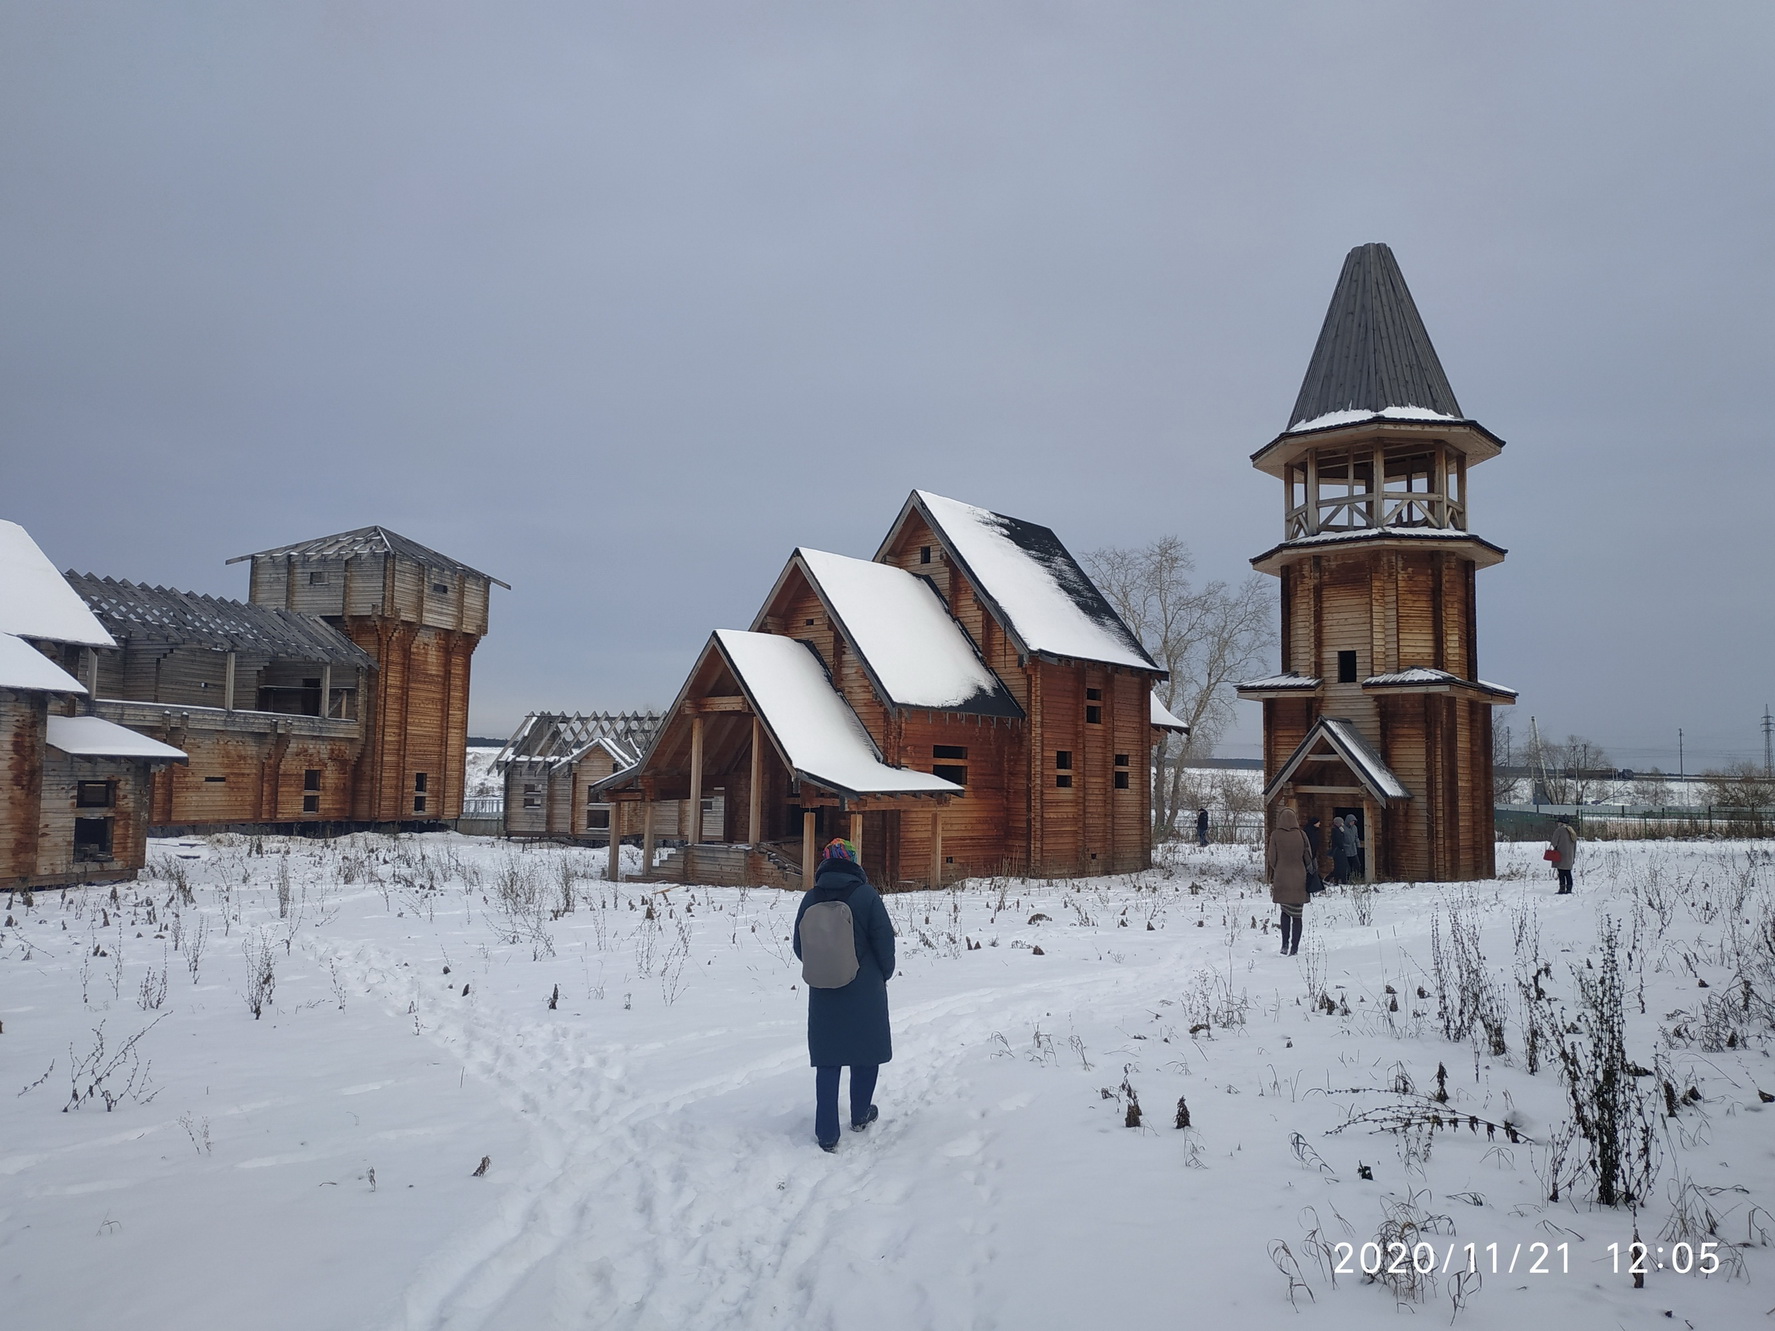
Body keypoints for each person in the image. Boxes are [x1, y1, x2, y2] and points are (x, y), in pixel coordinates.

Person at [792, 839, 895, 1151]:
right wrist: (881, 974)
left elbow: (800, 945)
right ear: (853, 861)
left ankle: (826, 1132)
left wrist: (823, 966)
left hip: (823, 989)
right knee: (865, 1053)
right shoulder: (866, 896)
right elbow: (884, 942)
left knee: (828, 1059)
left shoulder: (811, 897)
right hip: (864, 988)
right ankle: (861, 1114)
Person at [1266, 807, 1315, 956]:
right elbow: (1308, 856)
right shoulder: (1302, 834)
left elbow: (1272, 858)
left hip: (1282, 877)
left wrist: (1279, 868)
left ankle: (1284, 944)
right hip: (1300, 877)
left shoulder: (1275, 835)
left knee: (1285, 912)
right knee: (1298, 915)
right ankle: (1295, 947)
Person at [1548, 816, 1578, 894]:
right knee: (1568, 873)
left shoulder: (1559, 830)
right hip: (1570, 855)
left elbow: (1554, 843)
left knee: (1561, 872)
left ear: (1561, 823)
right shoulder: (1572, 831)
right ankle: (1569, 889)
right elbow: (1575, 845)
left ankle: (1562, 889)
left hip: (1560, 855)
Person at [1336, 816, 1360, 883]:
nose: (1352, 823)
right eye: (1351, 821)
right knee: (1347, 867)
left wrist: (1358, 846)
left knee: (1357, 865)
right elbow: (1341, 838)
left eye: (1354, 822)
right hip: (1346, 850)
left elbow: (1356, 837)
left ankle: (1356, 878)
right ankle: (1347, 880)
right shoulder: (1342, 828)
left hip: (1353, 849)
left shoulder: (1355, 828)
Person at [1330, 815, 1350, 885]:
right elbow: (1339, 841)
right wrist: (1342, 847)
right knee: (1340, 866)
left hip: (1339, 850)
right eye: (1341, 822)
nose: (1342, 824)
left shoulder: (1337, 830)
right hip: (1338, 851)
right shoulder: (1335, 831)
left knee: (1339, 866)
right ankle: (1340, 880)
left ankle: (1337, 880)